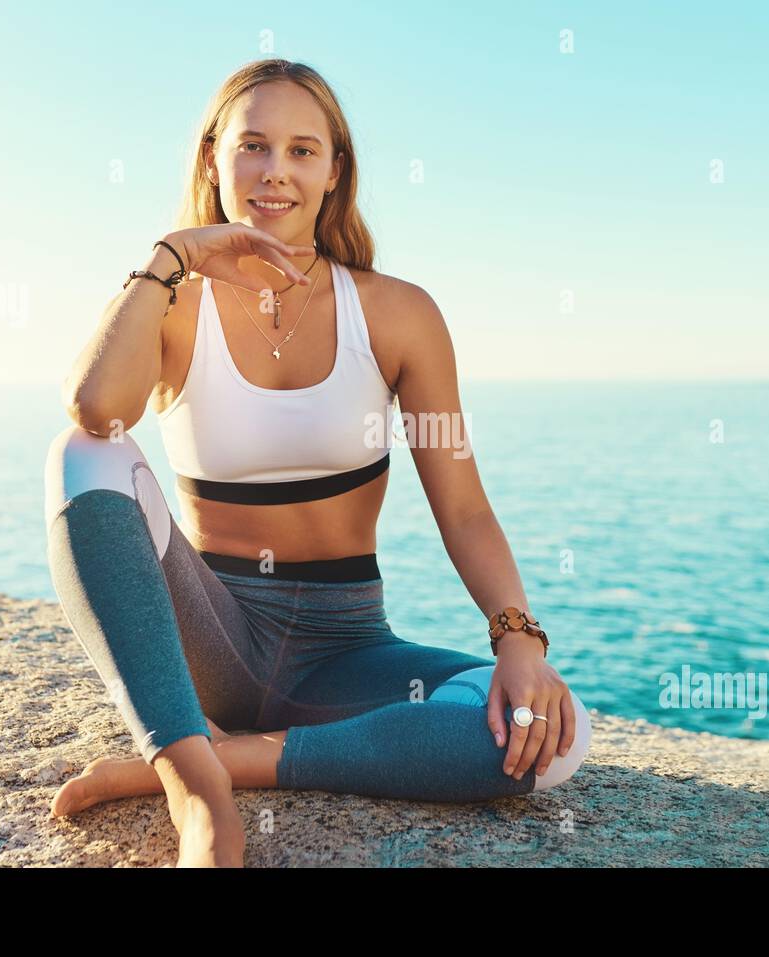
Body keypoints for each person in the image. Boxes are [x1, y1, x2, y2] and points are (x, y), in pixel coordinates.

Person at [43, 58, 592, 867]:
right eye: (253, 146)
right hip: (213, 641)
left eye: (303, 151)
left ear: (335, 172)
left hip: (346, 654)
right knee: (81, 453)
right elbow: (96, 411)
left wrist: (518, 637)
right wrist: (170, 255)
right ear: (212, 159)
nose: (276, 172)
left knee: (549, 738)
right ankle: (197, 790)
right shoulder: (171, 306)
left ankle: (215, 757)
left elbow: (465, 508)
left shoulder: (399, 315)